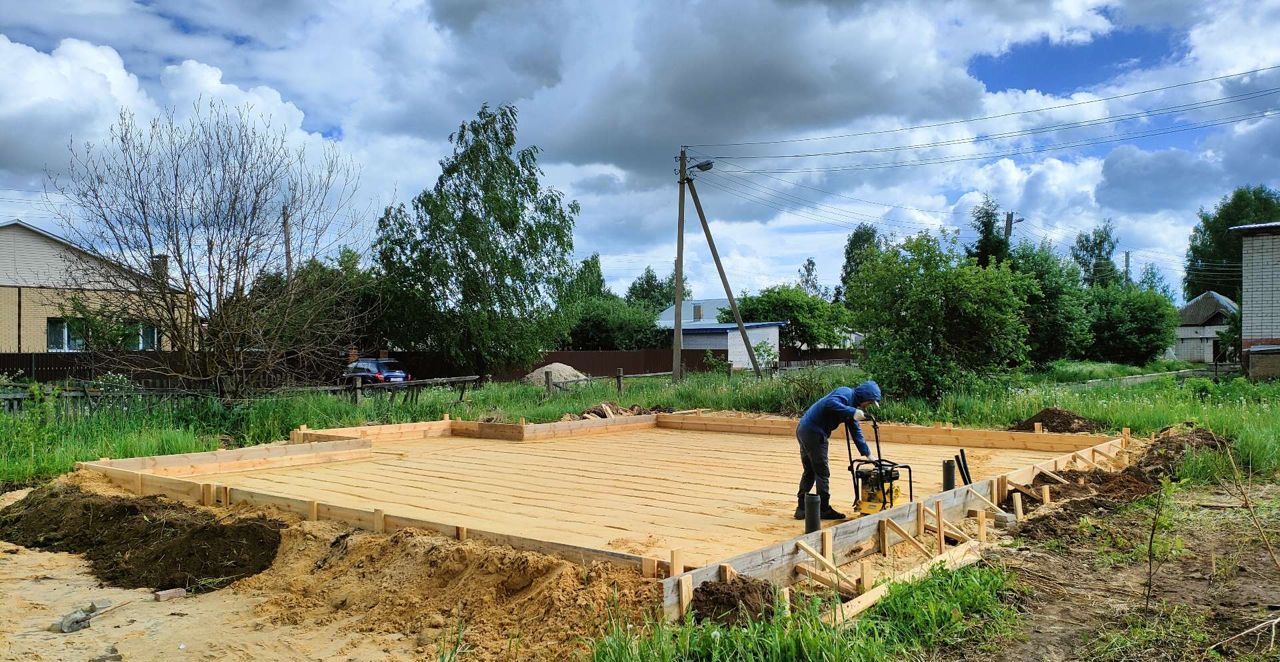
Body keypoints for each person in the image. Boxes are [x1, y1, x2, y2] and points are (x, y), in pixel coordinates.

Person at [793, 381, 882, 520]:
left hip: (805, 430)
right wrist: (852, 411)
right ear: (864, 397)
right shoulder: (845, 393)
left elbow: (856, 431)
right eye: (869, 403)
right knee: (822, 473)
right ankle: (823, 508)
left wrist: (868, 454)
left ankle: (801, 508)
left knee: (810, 470)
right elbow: (830, 403)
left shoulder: (851, 406)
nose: (868, 406)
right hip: (814, 432)